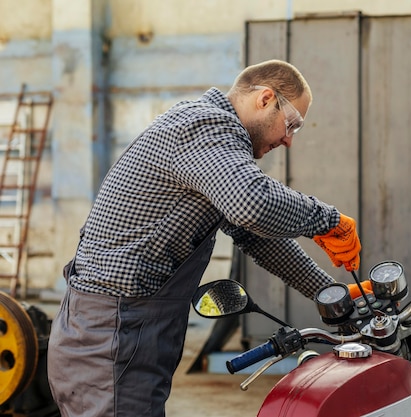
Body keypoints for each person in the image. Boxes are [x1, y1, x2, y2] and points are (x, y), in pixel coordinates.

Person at [47, 59, 361, 417]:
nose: (288, 140)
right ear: (264, 98)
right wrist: (330, 221)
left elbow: (256, 235)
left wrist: (328, 293)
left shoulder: (212, 141)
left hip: (118, 331)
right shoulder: (206, 125)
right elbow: (251, 204)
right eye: (291, 124)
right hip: (113, 337)